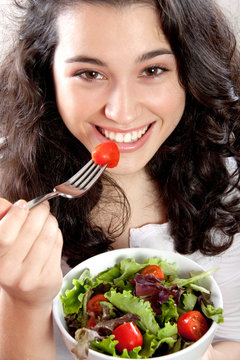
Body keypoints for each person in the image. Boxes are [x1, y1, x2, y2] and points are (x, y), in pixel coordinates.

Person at [0, 0, 239, 359]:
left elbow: (232, 334)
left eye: (153, 69)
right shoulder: (7, 187)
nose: (122, 112)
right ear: (45, 73)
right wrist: (23, 303)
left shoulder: (228, 176)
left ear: (191, 71)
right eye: (90, 74)